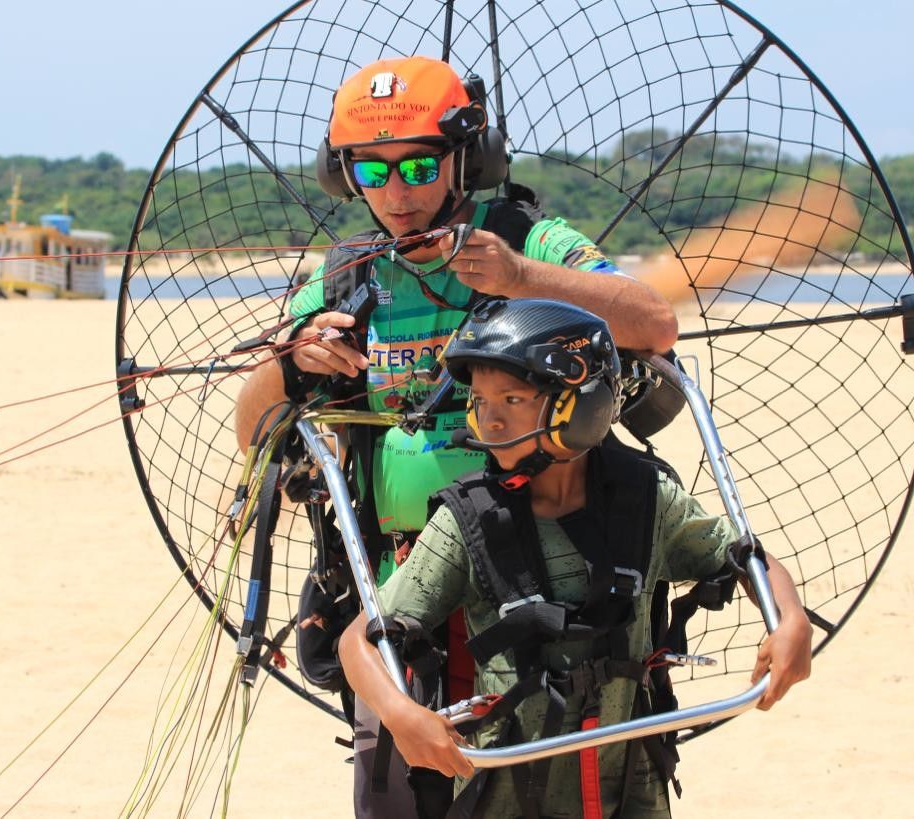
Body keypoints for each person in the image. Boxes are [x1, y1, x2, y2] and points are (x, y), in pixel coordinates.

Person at [233, 55, 678, 817]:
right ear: (345, 176)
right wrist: (293, 358)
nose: (397, 194)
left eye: (417, 166)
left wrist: (522, 280)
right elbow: (256, 430)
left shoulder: (526, 240)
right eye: (371, 172)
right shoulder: (346, 276)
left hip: (540, 584)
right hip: (403, 589)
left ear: (465, 161)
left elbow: (652, 321)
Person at [338, 298, 813, 818]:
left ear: (579, 406)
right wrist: (401, 713)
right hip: (510, 784)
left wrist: (788, 621)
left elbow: (744, 557)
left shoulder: (646, 499)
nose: (489, 420)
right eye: (479, 400)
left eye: (512, 399)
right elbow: (359, 639)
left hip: (630, 774)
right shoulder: (470, 519)